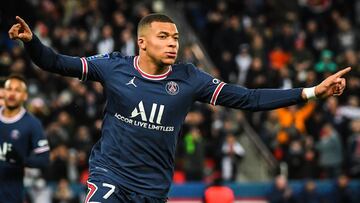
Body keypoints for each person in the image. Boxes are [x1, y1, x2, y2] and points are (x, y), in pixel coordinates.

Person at [8, 14, 350, 203]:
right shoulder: (114, 67)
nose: (173, 43)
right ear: (142, 42)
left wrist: (311, 93)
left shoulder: (190, 78)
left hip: (154, 189)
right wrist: (31, 43)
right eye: (163, 37)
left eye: (175, 37)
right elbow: (57, 63)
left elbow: (248, 99)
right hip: (110, 178)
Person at [0, 75, 50, 203]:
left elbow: (44, 160)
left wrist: (22, 160)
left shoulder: (32, 124)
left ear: (25, 96)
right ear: (3, 92)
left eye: (17, 90)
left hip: (10, 193)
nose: (12, 94)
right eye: (9, 89)